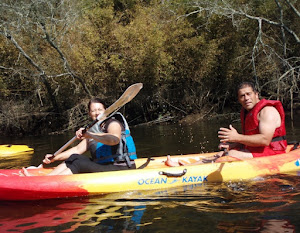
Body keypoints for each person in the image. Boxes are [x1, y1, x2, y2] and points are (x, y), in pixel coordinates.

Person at [165, 81, 287, 166]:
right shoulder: (247, 112)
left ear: (256, 94)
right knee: (223, 152)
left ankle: (189, 170)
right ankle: (187, 167)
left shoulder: (267, 111)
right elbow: (252, 139)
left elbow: (265, 140)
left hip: (274, 152)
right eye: (242, 96)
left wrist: (237, 137)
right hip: (259, 150)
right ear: (239, 99)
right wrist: (234, 143)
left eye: (249, 94)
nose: (246, 98)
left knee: (230, 154)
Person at [22, 98, 137, 176]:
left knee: (79, 163)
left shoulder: (113, 123)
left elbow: (114, 139)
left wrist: (89, 135)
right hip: (105, 166)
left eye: (99, 110)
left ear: (105, 111)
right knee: (74, 157)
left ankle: (46, 182)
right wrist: (54, 157)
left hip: (122, 168)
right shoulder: (94, 130)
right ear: (89, 113)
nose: (97, 113)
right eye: (93, 111)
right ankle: (48, 178)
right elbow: (77, 149)